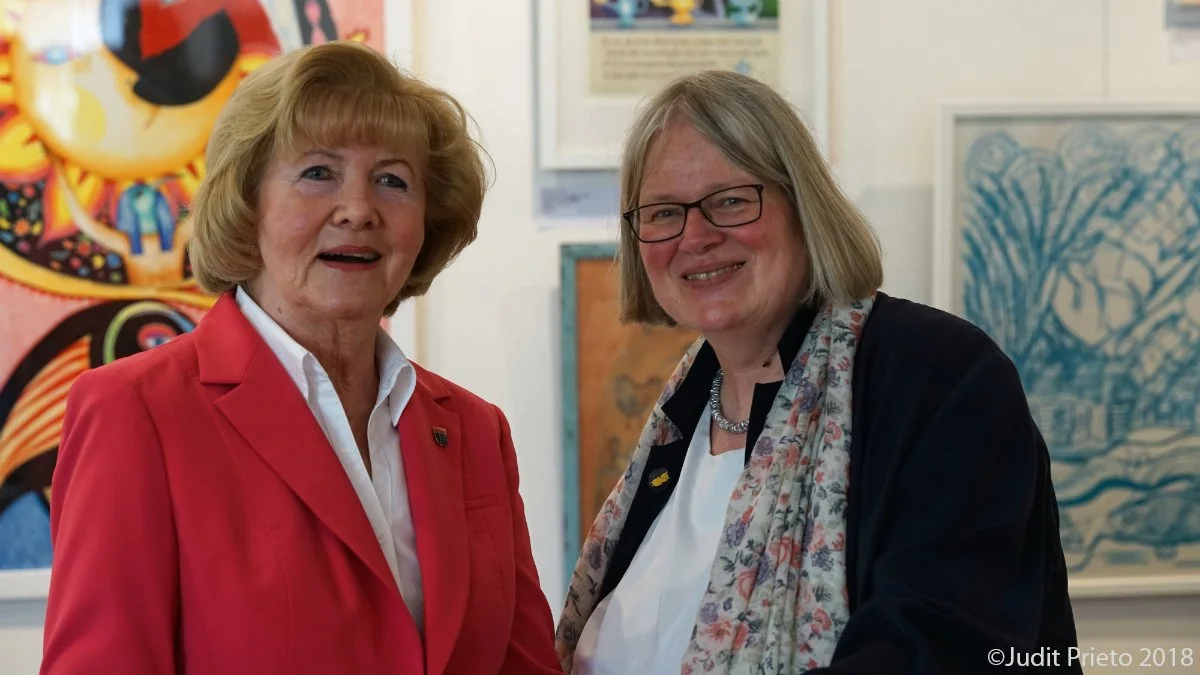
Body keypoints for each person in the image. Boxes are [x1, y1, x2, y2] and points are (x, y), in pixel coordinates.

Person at [41, 40, 563, 675]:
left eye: (393, 181)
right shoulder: (135, 411)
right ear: (247, 202)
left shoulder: (478, 431)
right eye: (318, 173)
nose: (359, 210)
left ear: (429, 219)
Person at [554, 69, 1081, 674]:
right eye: (664, 212)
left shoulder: (937, 377)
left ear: (802, 206)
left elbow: (951, 647)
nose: (695, 236)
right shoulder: (682, 416)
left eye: (730, 200)